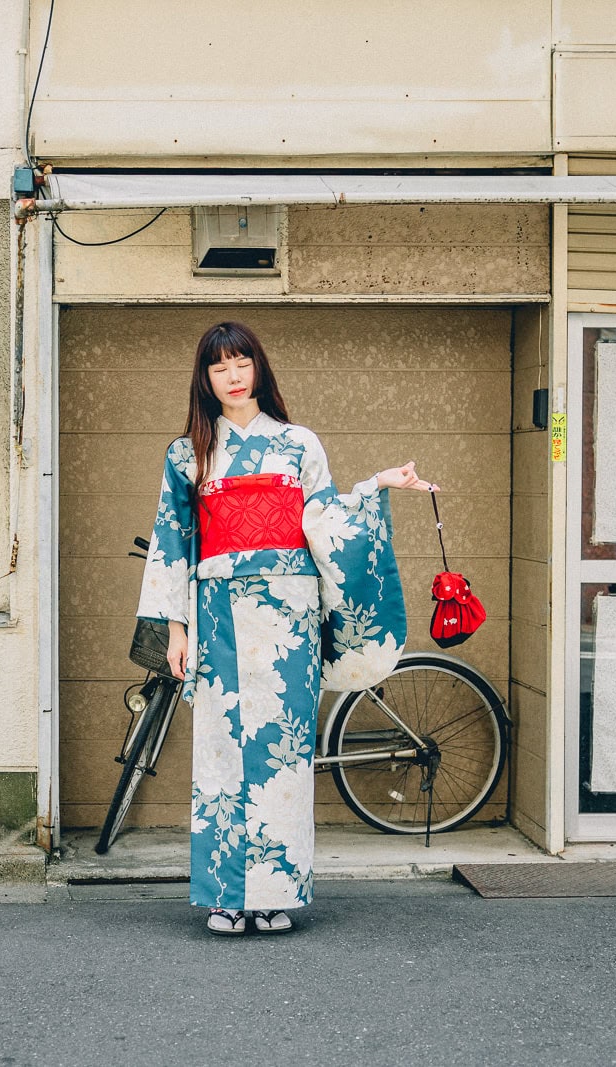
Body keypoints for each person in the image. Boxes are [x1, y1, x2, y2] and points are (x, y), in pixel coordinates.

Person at [136, 321, 434, 936]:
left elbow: (323, 518)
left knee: (283, 755)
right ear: (206, 379)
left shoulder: (299, 444)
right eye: (220, 368)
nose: (233, 376)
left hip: (287, 615)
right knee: (221, 752)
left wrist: (378, 485)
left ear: (259, 369)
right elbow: (173, 541)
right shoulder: (187, 452)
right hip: (216, 610)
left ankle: (275, 893)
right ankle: (225, 894)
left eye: (242, 362)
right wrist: (175, 628)